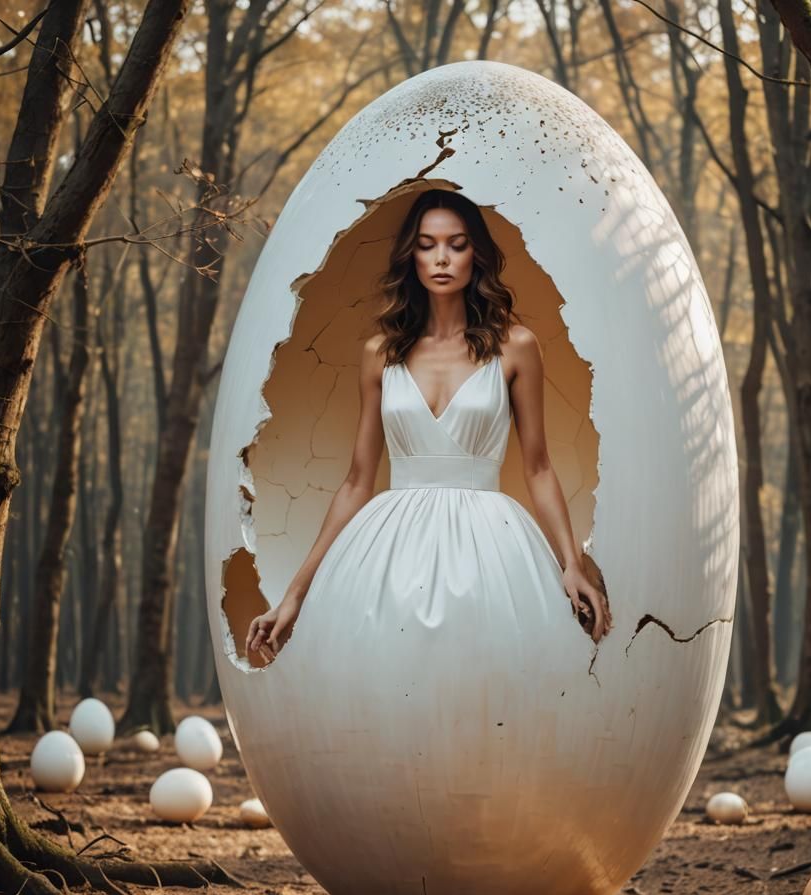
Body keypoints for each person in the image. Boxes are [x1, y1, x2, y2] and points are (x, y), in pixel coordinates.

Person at [245, 188, 611, 664]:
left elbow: (538, 468)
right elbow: (357, 482)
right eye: (426, 245)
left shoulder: (516, 346)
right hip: (391, 543)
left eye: (456, 245)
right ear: (411, 256)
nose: (441, 258)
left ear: (476, 255)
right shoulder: (380, 353)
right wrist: (294, 594)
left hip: (490, 545)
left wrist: (572, 564)